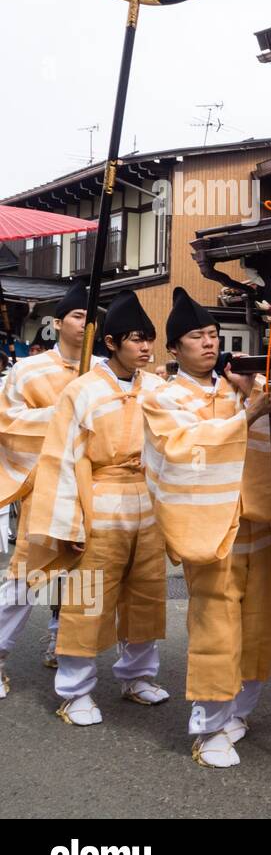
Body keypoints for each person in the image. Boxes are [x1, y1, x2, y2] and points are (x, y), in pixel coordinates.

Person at [141, 287, 271, 767]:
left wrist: (256, 405)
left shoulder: (239, 385)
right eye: (195, 337)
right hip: (209, 521)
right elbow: (181, 448)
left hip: (256, 515)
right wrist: (246, 416)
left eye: (212, 335)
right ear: (174, 349)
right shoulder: (162, 395)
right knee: (216, 621)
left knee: (262, 617)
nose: (208, 343)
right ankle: (208, 726)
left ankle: (237, 711)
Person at [27, 291, 169, 726]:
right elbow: (63, 458)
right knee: (88, 596)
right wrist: (69, 519)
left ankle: (138, 674)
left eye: (149, 339)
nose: (145, 347)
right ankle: (75, 690)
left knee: (147, 593)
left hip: (147, 505)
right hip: (100, 502)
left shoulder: (160, 390)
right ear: (111, 343)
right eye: (135, 339)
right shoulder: (82, 390)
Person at [0, 281, 86, 696]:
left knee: (83, 576)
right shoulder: (28, 370)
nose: (87, 324)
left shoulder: (103, 371)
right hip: (45, 482)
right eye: (79, 315)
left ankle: (62, 641)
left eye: (93, 317)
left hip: (91, 488)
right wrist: (64, 412)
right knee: (26, 577)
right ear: (57, 323)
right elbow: (10, 423)